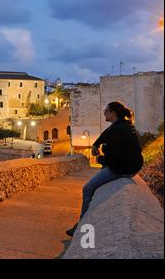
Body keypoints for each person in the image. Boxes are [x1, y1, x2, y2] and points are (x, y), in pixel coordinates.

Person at [66, 101, 143, 236]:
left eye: (106, 111)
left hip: (122, 168)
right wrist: (96, 144)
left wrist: (99, 159)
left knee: (88, 188)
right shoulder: (123, 124)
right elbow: (106, 133)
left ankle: (82, 225)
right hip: (132, 166)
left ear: (113, 113)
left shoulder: (119, 131)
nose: (104, 113)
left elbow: (114, 158)